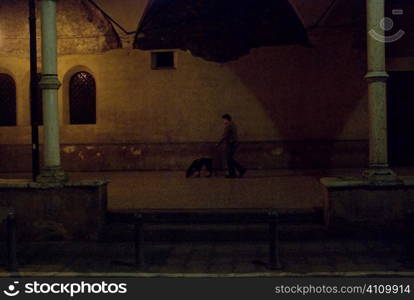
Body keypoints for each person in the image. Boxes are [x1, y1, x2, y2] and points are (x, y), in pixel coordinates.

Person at [216, 114, 246, 178]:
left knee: (229, 158)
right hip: (234, 143)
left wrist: (218, 143)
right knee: (230, 158)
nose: (223, 121)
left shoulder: (229, 125)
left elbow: (224, 135)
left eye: (224, 119)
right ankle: (238, 170)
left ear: (227, 119)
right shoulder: (233, 124)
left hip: (231, 143)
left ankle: (236, 171)